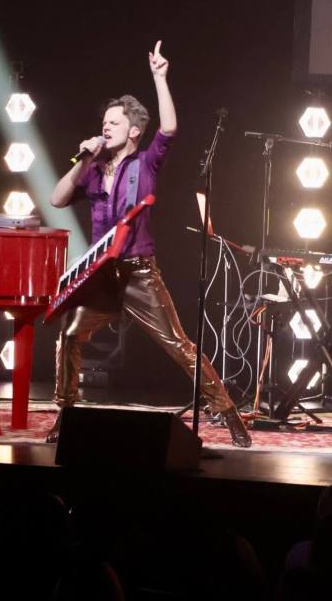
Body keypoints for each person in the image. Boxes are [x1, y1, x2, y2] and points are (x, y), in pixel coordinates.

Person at [47, 41, 250, 447]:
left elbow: (170, 129)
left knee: (178, 346)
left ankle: (227, 411)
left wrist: (160, 78)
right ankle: (65, 415)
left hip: (139, 273)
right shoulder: (94, 168)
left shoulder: (146, 162)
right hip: (102, 276)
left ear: (134, 131)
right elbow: (56, 199)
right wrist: (84, 158)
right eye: (103, 123)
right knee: (70, 336)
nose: (106, 128)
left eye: (114, 124)